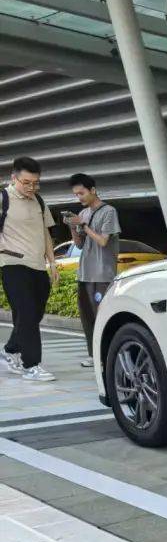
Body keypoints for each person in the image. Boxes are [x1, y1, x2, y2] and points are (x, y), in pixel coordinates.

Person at [0, 156, 58, 382]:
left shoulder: (39, 201)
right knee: (26, 313)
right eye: (26, 183)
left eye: (35, 183)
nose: (31, 188)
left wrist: (52, 263)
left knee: (34, 314)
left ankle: (10, 349)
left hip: (37, 266)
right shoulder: (3, 198)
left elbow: (45, 234)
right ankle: (31, 365)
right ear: (13, 178)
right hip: (12, 264)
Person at [65, 173, 120, 368]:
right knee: (88, 318)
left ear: (93, 190)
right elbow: (79, 245)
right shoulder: (83, 214)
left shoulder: (109, 211)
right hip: (85, 273)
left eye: (81, 193)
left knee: (102, 316)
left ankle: (107, 356)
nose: (79, 197)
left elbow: (103, 241)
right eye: (76, 194)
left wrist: (83, 225)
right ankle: (93, 355)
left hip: (103, 274)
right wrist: (73, 227)